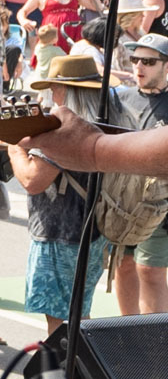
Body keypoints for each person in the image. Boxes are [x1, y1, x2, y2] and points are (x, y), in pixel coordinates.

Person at [11, 55, 114, 334]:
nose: (51, 94)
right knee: (79, 312)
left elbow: (33, 180)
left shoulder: (63, 130)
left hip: (61, 234)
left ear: (65, 90)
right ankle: (79, 370)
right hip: (94, 231)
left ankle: (67, 374)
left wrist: (13, 146)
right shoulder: (105, 121)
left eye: (54, 87)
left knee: (60, 323)